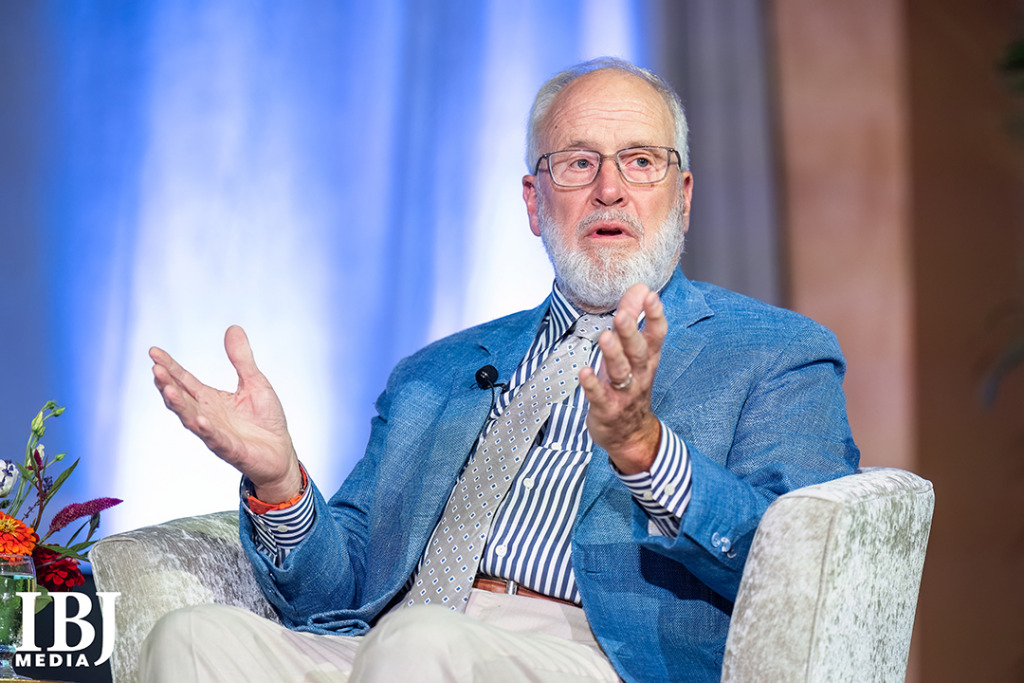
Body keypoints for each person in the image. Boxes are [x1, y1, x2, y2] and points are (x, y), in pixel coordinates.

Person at [142, 57, 859, 682]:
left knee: (422, 642)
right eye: (577, 163)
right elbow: (339, 592)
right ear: (534, 203)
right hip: (393, 643)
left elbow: (799, 569)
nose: (610, 188)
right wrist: (280, 483)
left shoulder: (776, 351)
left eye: (641, 161)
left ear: (685, 195)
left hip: (593, 654)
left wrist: (648, 453)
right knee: (193, 638)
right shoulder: (436, 372)